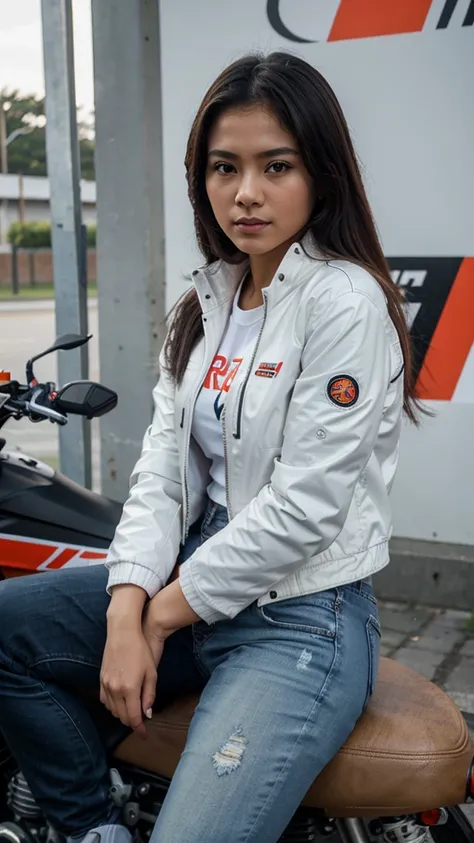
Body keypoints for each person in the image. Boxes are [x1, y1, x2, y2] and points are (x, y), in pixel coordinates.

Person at [0, 51, 421, 843]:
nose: (246, 192)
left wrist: (155, 617)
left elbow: (304, 510)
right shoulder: (207, 301)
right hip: (191, 578)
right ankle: (94, 825)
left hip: (303, 616)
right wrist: (127, 602)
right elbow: (163, 468)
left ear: (321, 173)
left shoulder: (346, 303)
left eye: (277, 165)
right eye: (224, 167)